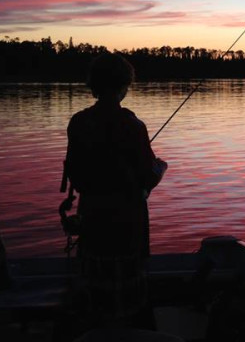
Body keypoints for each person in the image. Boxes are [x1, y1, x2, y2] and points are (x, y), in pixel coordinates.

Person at [63, 52, 167, 324]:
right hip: (126, 224)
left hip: (92, 219)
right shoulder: (133, 126)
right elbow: (146, 176)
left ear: (94, 84)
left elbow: (75, 171)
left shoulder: (78, 122)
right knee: (129, 298)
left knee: (94, 292)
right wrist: (160, 169)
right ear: (124, 85)